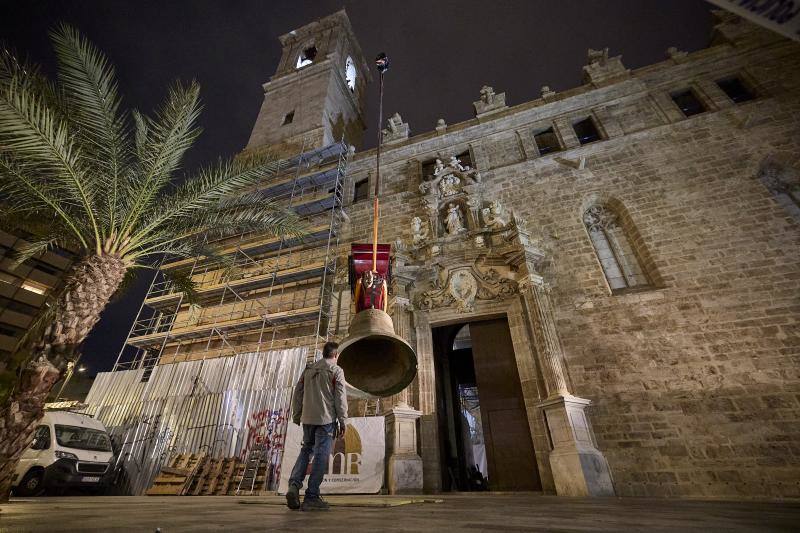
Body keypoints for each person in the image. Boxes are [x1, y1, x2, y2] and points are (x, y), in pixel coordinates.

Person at [286, 341, 348, 511]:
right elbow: (340, 397)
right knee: (321, 455)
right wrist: (343, 421)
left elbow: (298, 393)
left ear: (323, 354)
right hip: (325, 421)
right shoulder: (336, 371)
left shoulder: (308, 369)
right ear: (336, 355)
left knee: (306, 449)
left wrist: (297, 415)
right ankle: (312, 496)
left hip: (307, 419)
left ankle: (293, 486)